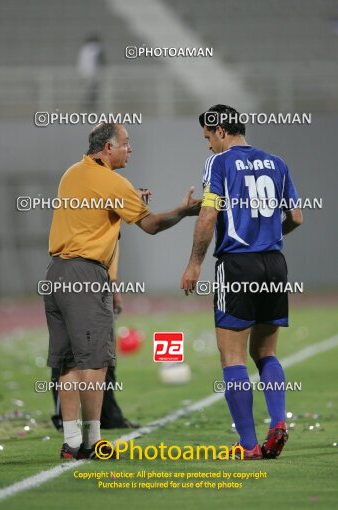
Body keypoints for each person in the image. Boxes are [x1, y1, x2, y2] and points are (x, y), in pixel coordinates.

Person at [44, 122, 201, 460]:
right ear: (107, 148)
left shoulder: (72, 173)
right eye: (126, 144)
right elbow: (152, 225)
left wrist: (128, 199)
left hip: (55, 274)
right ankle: (95, 442)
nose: (131, 149)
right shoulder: (114, 182)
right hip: (85, 275)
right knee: (95, 362)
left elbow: (96, 209)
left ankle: (72, 443)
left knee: (68, 363)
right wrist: (185, 211)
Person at [180, 104, 302, 460]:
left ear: (220, 131)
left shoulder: (220, 163)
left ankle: (248, 446)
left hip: (237, 266)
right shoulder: (278, 163)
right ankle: (278, 422)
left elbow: (208, 212)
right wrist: (268, 236)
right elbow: (296, 216)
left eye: (207, 137)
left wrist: (193, 264)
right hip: (275, 265)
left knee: (232, 356)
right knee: (266, 353)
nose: (207, 146)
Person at [50, 239, 140, 432]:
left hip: (100, 279)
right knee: (71, 354)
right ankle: (65, 420)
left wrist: (112, 285)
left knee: (103, 355)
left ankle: (107, 416)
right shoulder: (84, 212)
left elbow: (110, 252)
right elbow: (152, 224)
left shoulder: (111, 220)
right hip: (78, 278)